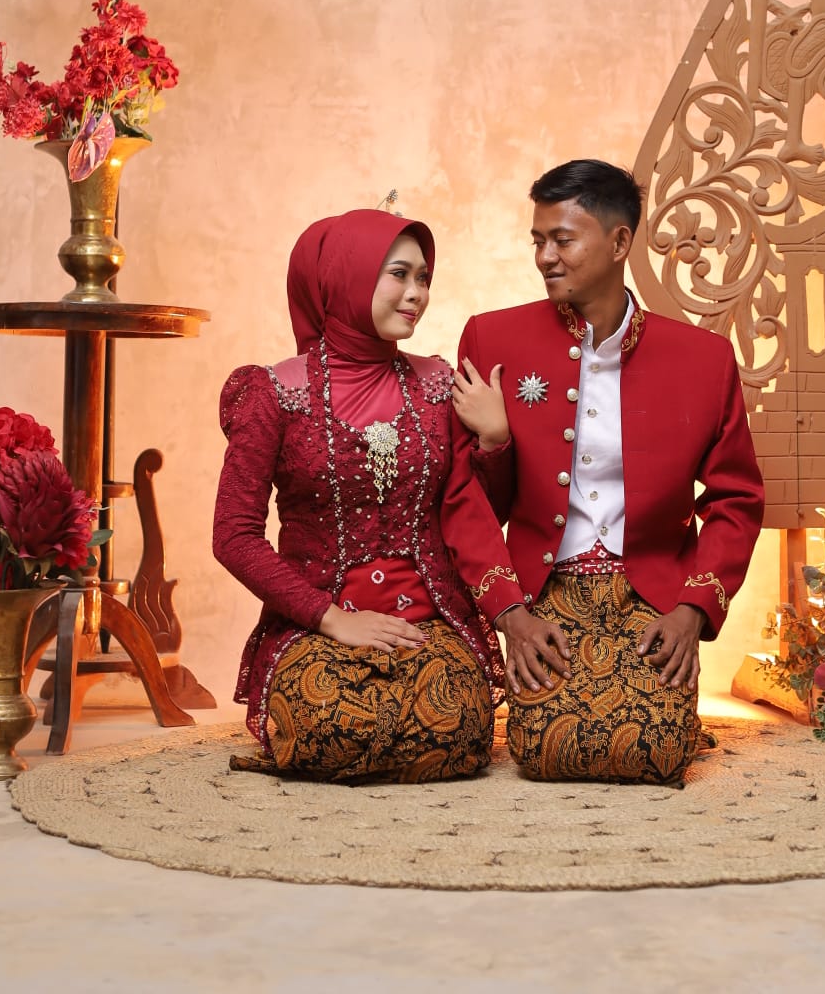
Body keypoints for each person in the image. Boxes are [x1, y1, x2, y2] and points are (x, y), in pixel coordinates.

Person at [451, 159, 765, 785]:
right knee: (545, 751)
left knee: (657, 751)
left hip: (652, 593)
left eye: (562, 239)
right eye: (537, 240)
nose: (545, 257)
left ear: (620, 242)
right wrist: (511, 615)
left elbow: (736, 498)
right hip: (543, 591)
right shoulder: (492, 339)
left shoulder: (703, 359)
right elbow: (462, 496)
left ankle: (671, 708)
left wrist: (693, 609)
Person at [213, 208, 527, 782]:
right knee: (330, 726)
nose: (417, 294)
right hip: (317, 622)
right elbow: (234, 536)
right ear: (345, 278)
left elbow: (480, 513)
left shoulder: (439, 385)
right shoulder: (274, 391)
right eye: (399, 274)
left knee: (455, 726)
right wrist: (332, 618)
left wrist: (495, 440)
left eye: (424, 278)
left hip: (427, 620)